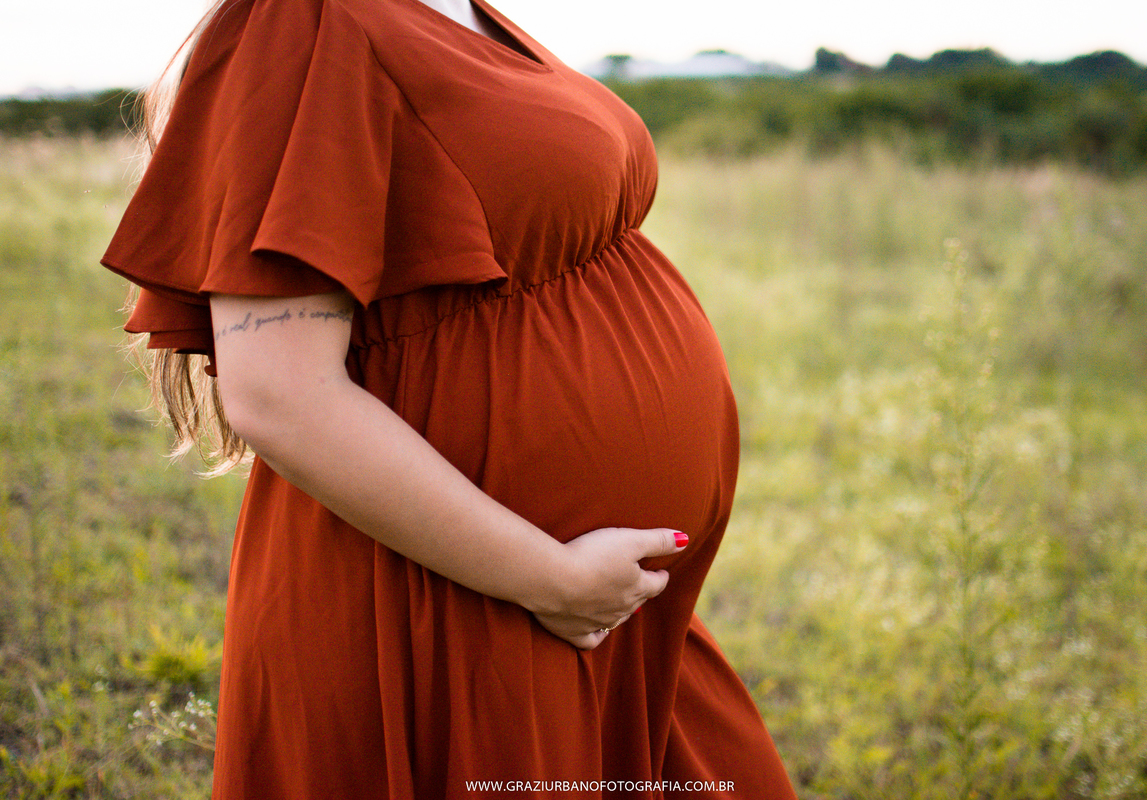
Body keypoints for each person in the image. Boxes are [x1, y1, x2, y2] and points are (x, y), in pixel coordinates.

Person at [102, 0, 798, 796]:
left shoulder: (459, 10)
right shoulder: (305, 22)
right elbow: (281, 392)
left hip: (595, 609)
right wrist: (554, 581)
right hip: (459, 600)